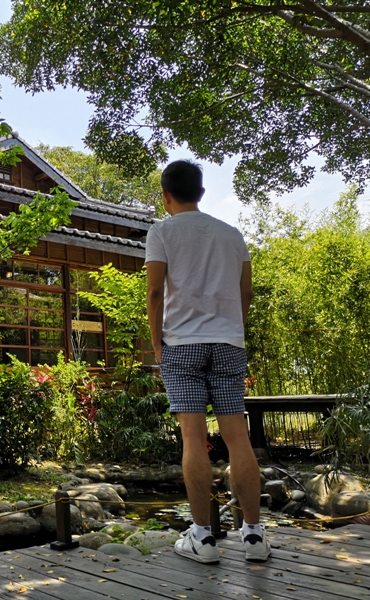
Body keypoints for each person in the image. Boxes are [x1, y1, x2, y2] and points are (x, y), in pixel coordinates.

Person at [145, 160, 270, 564]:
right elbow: (245, 292)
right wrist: (232, 330)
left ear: (165, 196)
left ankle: (202, 538)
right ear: (200, 193)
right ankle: (253, 535)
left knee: (194, 438)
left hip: (182, 344)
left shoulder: (161, 231)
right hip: (228, 342)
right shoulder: (231, 234)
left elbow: (154, 293)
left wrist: (157, 345)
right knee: (238, 437)